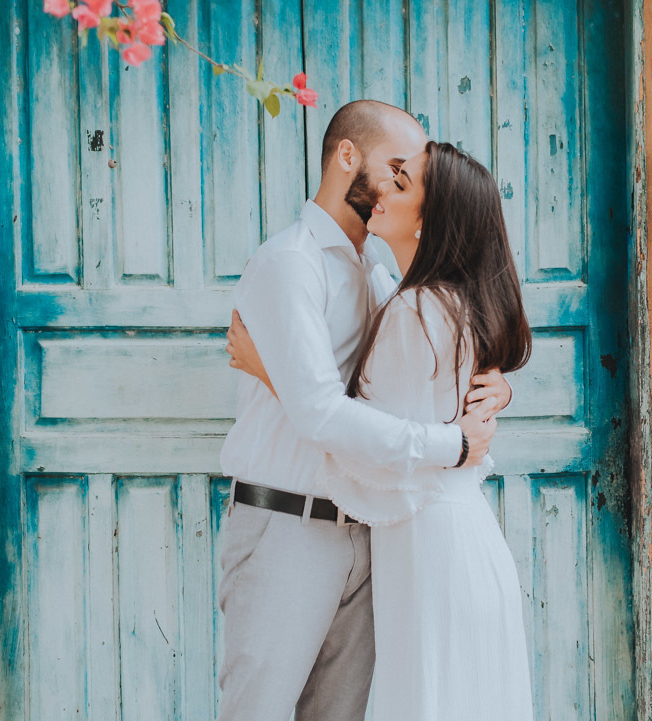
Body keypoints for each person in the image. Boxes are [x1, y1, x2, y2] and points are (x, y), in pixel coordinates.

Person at [216, 101, 514, 721]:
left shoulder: (378, 277)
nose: (400, 186)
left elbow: (417, 377)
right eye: (397, 169)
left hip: (367, 532)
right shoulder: (291, 264)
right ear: (348, 157)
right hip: (286, 528)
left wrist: (493, 385)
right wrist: (452, 445)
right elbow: (322, 412)